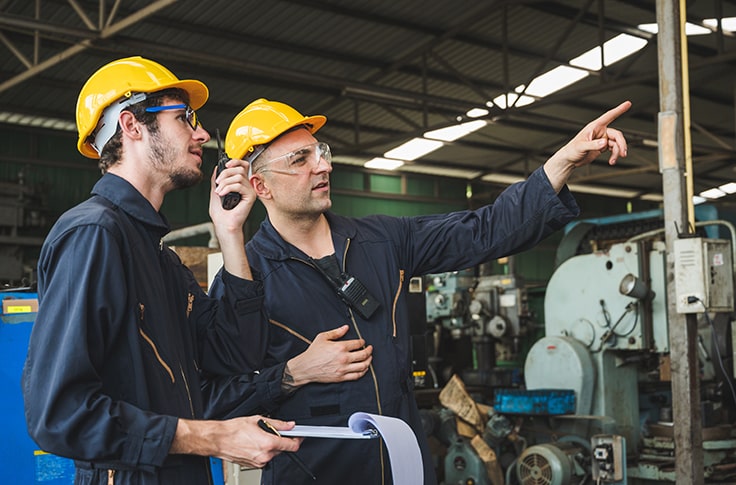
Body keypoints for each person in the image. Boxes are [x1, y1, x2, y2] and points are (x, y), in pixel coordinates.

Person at [217, 98, 631, 484]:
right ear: (262, 186)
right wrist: (294, 374)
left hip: (405, 467)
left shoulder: (382, 240)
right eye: (300, 159)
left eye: (320, 152)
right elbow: (220, 396)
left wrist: (562, 162)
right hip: (315, 473)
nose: (322, 166)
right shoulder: (245, 277)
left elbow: (485, 230)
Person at [22, 58, 302, 485]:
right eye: (185, 118)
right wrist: (212, 437)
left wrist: (230, 234)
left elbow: (235, 354)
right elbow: (60, 415)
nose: (202, 134)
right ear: (132, 126)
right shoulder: (94, 235)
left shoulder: (160, 258)